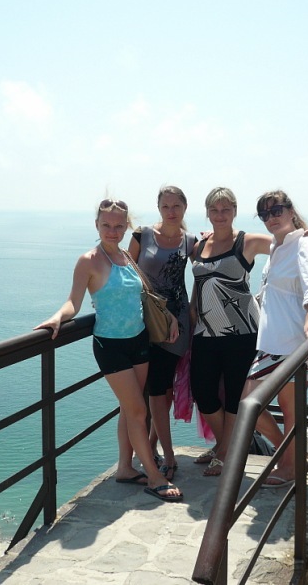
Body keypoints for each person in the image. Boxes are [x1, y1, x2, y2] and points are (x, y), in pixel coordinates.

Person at [34, 199, 182, 502]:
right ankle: (154, 476)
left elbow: (142, 295)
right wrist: (58, 317)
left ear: (126, 226)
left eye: (118, 225)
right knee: (138, 411)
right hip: (111, 345)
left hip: (139, 340)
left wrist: (168, 316)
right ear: (97, 225)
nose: (112, 231)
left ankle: (125, 468)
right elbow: (73, 302)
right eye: (106, 225)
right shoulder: (88, 260)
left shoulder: (126, 255)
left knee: (130, 409)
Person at [241, 190, 308, 487]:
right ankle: (288, 456)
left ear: (290, 211)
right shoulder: (277, 247)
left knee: (275, 407)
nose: (271, 218)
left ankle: (289, 466)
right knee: (255, 404)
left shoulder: (304, 245)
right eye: (265, 214)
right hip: (272, 342)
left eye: (276, 210)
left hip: (293, 341)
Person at [190, 187, 272, 476]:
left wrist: (304, 233)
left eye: (226, 209)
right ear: (207, 212)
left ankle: (224, 452)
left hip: (242, 332)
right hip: (205, 331)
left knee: (236, 395)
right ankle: (224, 445)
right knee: (203, 392)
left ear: (235, 211)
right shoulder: (199, 246)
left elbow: (286, 244)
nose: (220, 215)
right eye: (214, 210)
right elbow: (199, 284)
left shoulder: (247, 241)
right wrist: (191, 313)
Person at [127, 186, 197, 481]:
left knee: (162, 389)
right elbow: (126, 271)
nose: (171, 211)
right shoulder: (142, 235)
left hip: (176, 325)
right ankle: (161, 451)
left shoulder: (190, 242)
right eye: (166, 206)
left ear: (184, 208)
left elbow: (209, 268)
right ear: (158, 208)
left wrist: (193, 310)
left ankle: (161, 451)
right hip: (145, 321)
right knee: (154, 389)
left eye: (176, 206)